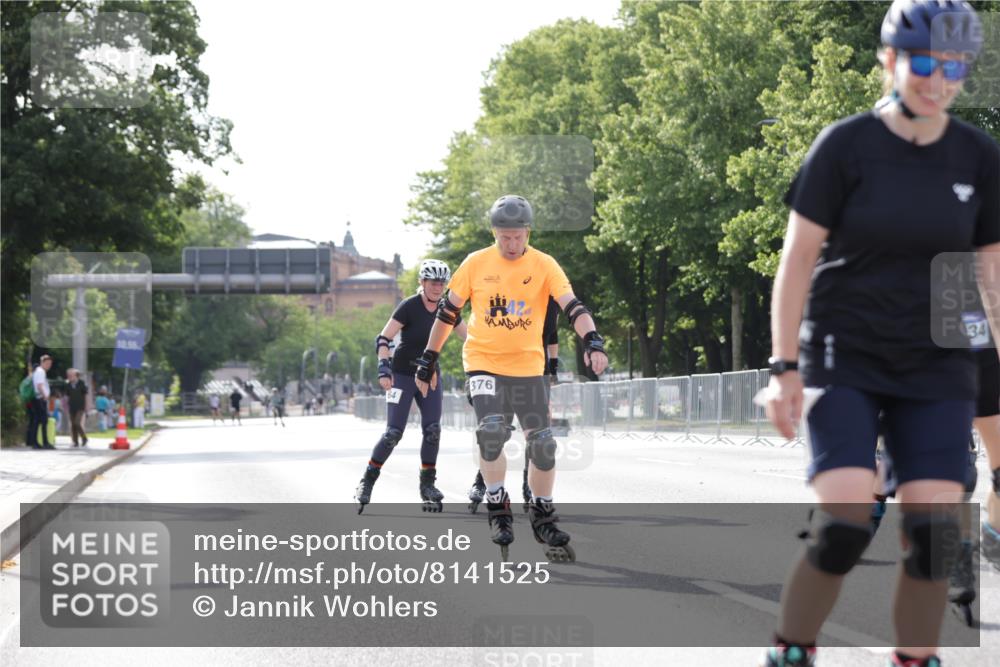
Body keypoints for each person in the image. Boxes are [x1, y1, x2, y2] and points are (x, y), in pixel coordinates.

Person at [763, 2, 999, 665]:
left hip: (936, 365)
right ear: (890, 60)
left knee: (932, 538)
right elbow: (797, 260)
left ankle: (914, 658)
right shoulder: (846, 146)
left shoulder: (979, 158)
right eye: (923, 62)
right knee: (844, 522)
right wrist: (783, 367)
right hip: (846, 353)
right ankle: (791, 647)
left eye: (953, 65)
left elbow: (993, 279)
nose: (938, 78)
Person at [415, 195, 608, 561]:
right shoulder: (475, 263)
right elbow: (447, 313)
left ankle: (542, 513)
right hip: (484, 362)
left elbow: (573, 306)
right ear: (494, 233)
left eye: (518, 237)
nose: (511, 244)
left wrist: (593, 341)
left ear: (527, 232)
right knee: (491, 432)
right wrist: (428, 358)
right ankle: (498, 506)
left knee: (544, 445)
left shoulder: (544, 264)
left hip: (527, 367)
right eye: (504, 237)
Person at [354, 259, 468, 514]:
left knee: (433, 430)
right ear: (422, 283)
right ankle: (367, 480)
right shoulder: (409, 306)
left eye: (442, 283)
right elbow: (384, 338)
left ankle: (427, 485)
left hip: (429, 376)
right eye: (433, 282)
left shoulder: (447, 308)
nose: (438, 288)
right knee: (393, 433)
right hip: (402, 375)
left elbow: (470, 339)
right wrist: (384, 368)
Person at [468, 297, 561, 513]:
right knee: (498, 431)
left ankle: (530, 490)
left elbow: (552, 335)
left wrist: (553, 369)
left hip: (537, 370)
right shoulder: (521, 294)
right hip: (505, 370)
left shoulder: (553, 301)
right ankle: (483, 483)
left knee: (538, 435)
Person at [28, 355, 54, 449]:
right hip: (40, 399)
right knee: (42, 421)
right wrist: (45, 396)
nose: (49, 365)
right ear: (42, 362)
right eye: (47, 363)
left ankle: (36, 442)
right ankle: (44, 443)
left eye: (50, 363)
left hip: (38, 399)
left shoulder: (39, 371)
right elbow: (39, 385)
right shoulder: (40, 371)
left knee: (39, 421)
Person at [65, 368, 88, 447]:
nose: (69, 377)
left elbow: (85, 395)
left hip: (80, 407)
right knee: (73, 424)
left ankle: (84, 438)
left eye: (71, 375)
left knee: (77, 422)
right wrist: (66, 406)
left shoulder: (82, 384)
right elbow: (67, 396)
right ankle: (75, 441)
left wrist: (87, 406)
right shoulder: (68, 385)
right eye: (68, 375)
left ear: (76, 376)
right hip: (72, 407)